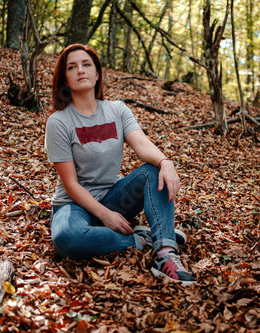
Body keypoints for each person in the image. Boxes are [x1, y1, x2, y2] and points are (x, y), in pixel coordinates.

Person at [44, 43, 196, 286]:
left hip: (114, 198)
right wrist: (105, 216)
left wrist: (165, 161)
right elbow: (71, 185)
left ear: (97, 74)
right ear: (64, 78)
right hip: (73, 206)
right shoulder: (59, 122)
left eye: (86, 65)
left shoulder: (117, 110)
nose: (80, 70)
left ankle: (165, 253)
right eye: (72, 67)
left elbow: (142, 144)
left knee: (153, 171)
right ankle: (142, 239)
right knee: (67, 238)